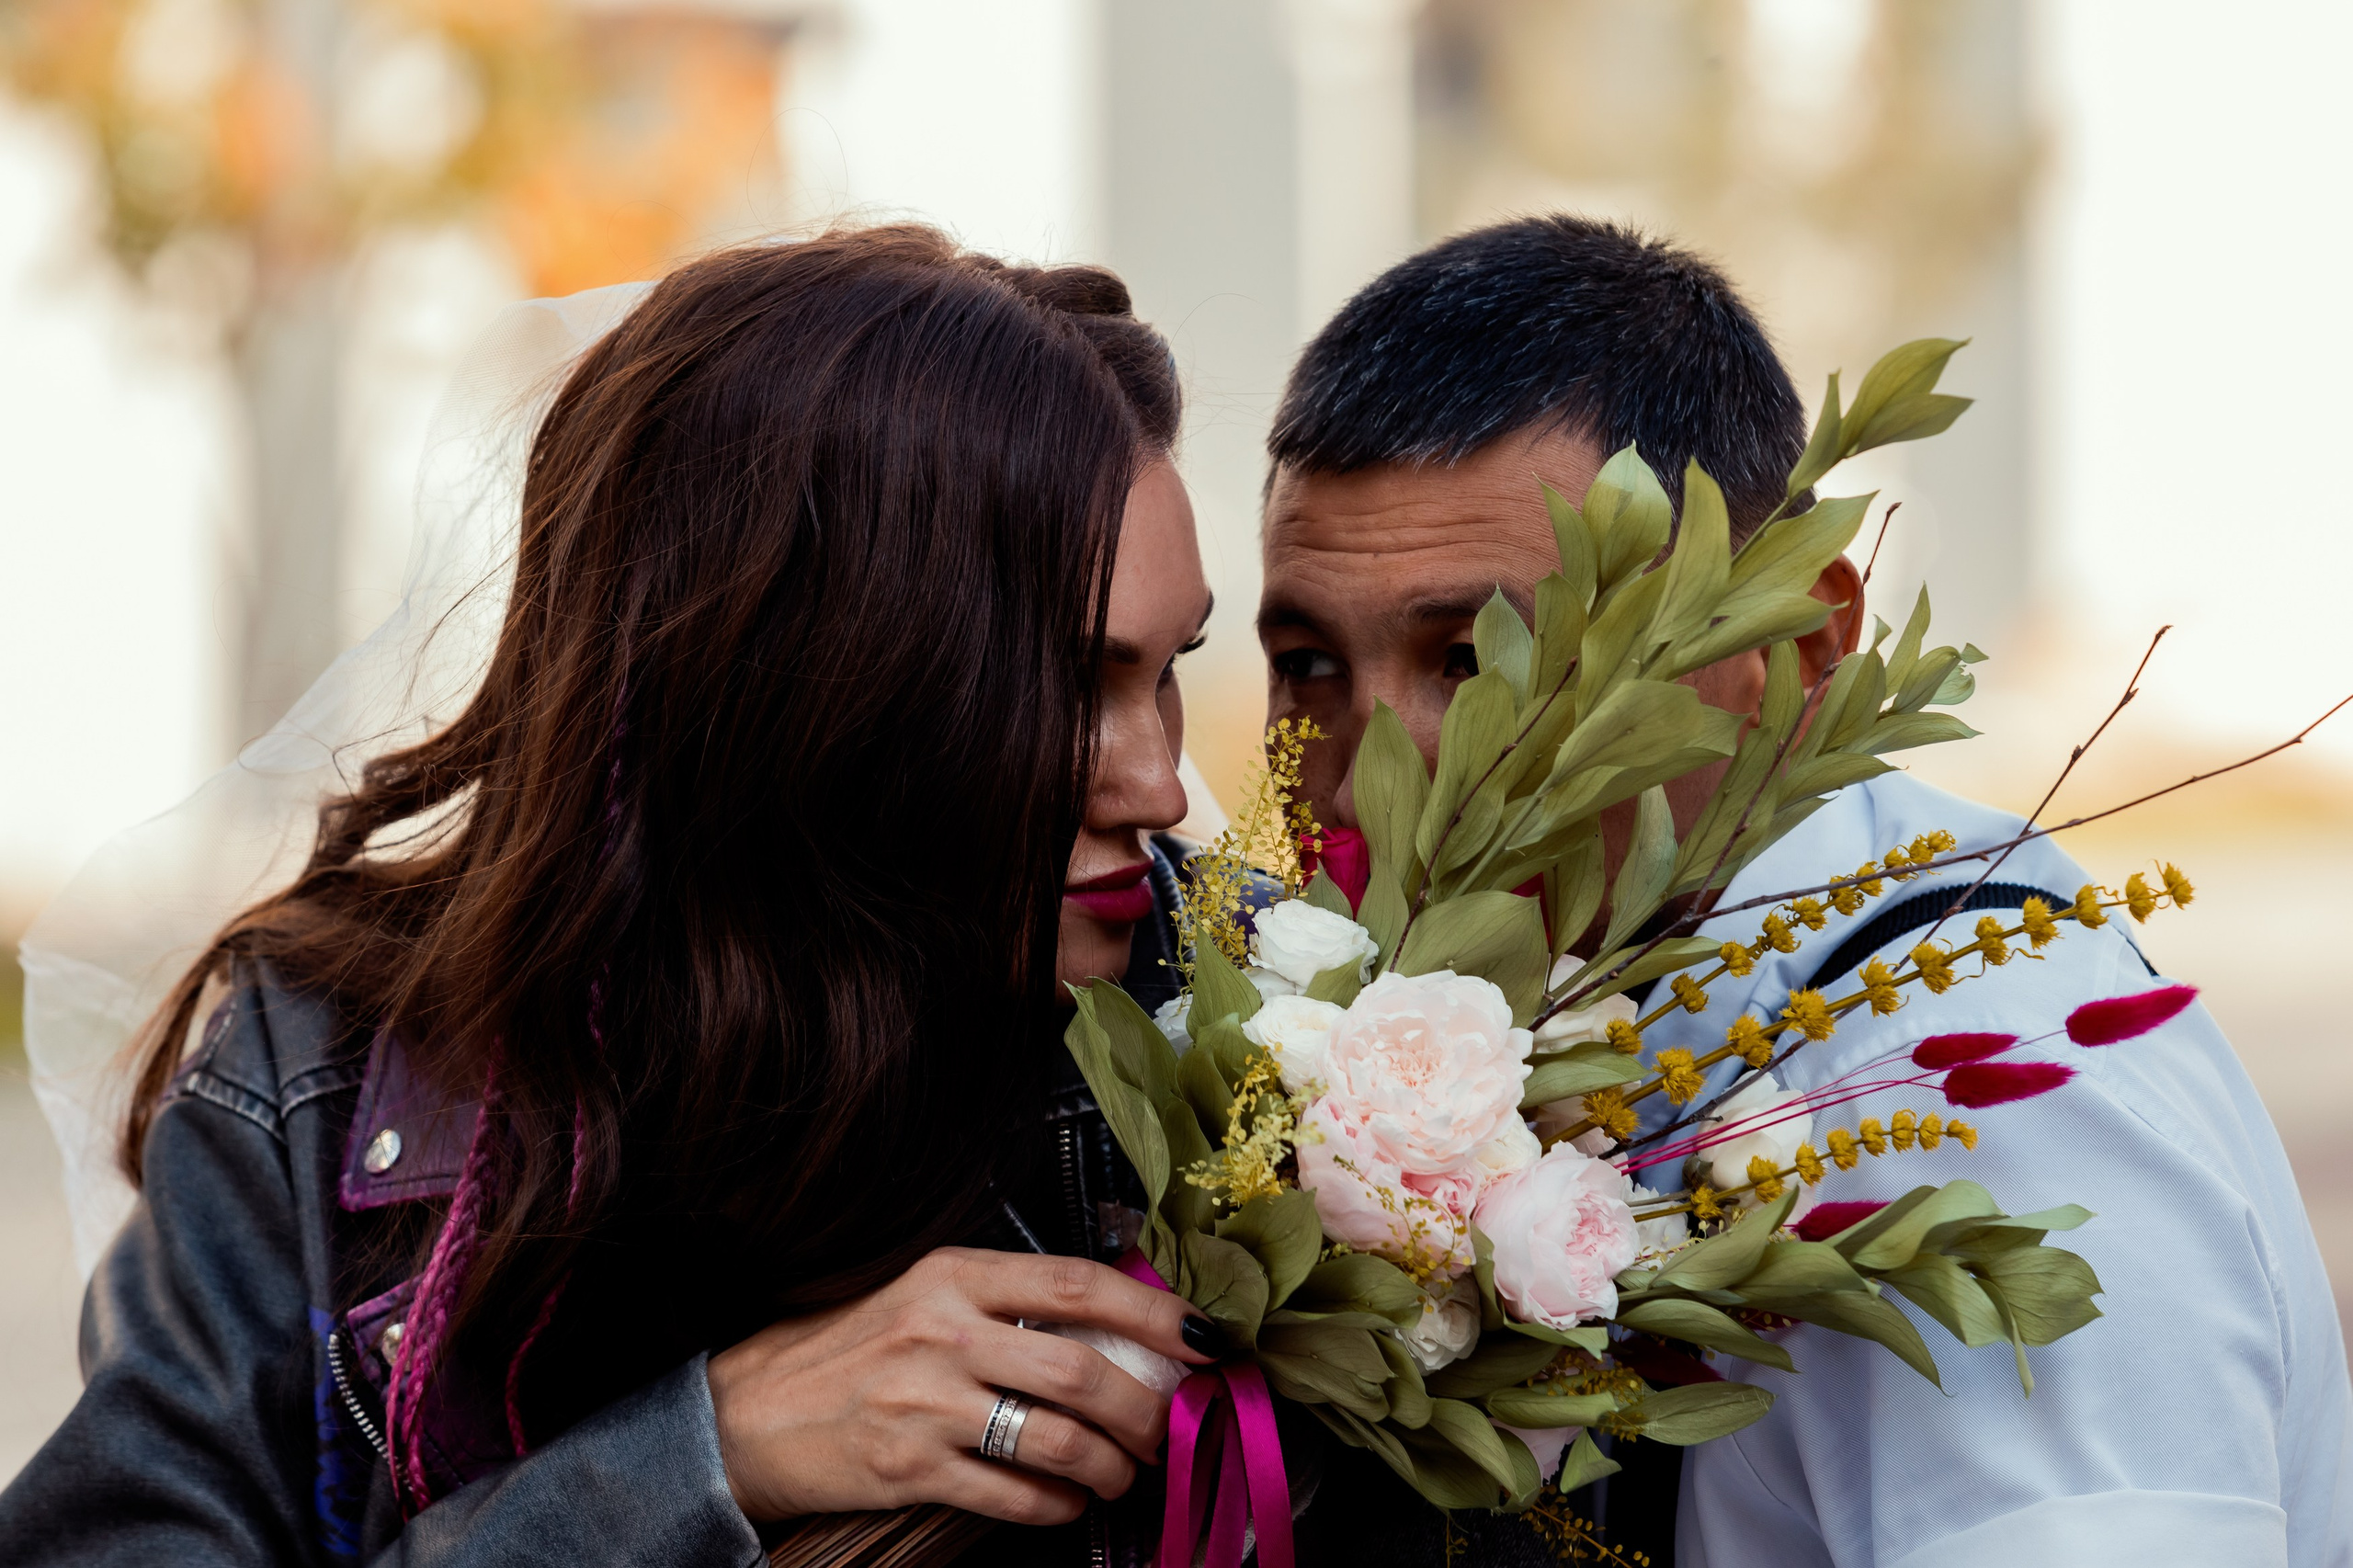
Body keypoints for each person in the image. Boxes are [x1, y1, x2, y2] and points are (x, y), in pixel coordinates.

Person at [0, 225, 1222, 1566]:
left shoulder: (1269, 1030)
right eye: (1069, 685)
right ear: (810, 695)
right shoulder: (324, 1079)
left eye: (1171, 668)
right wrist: (706, 1457)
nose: (1163, 786)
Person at [1257, 215, 2353, 1566]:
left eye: (1484, 662)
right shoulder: (1523, 1018)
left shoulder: (1956, 1097)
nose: (1367, 770)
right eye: (1307, 664)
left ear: (1801, 642)